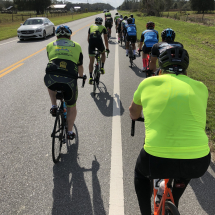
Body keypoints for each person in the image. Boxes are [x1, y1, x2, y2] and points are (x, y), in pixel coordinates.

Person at [129, 47, 211, 215]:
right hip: (199, 160)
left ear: (161, 66)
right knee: (183, 174)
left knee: (140, 174)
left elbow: (133, 113)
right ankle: (174, 201)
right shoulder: (201, 87)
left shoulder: (148, 83)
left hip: (156, 158)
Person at [44, 25, 84, 140]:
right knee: (72, 107)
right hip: (69, 81)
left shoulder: (49, 45)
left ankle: (54, 106)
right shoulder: (77, 46)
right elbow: (80, 66)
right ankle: (70, 132)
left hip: (51, 78)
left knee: (51, 78)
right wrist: (81, 76)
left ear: (56, 36)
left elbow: (51, 59)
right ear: (70, 36)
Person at [88, 17, 109, 84]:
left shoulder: (91, 26)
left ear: (95, 22)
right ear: (101, 22)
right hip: (99, 41)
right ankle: (102, 67)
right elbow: (105, 39)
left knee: (91, 61)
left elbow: (88, 38)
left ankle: (91, 77)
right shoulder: (103, 27)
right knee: (103, 53)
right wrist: (107, 48)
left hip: (91, 42)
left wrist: (91, 46)